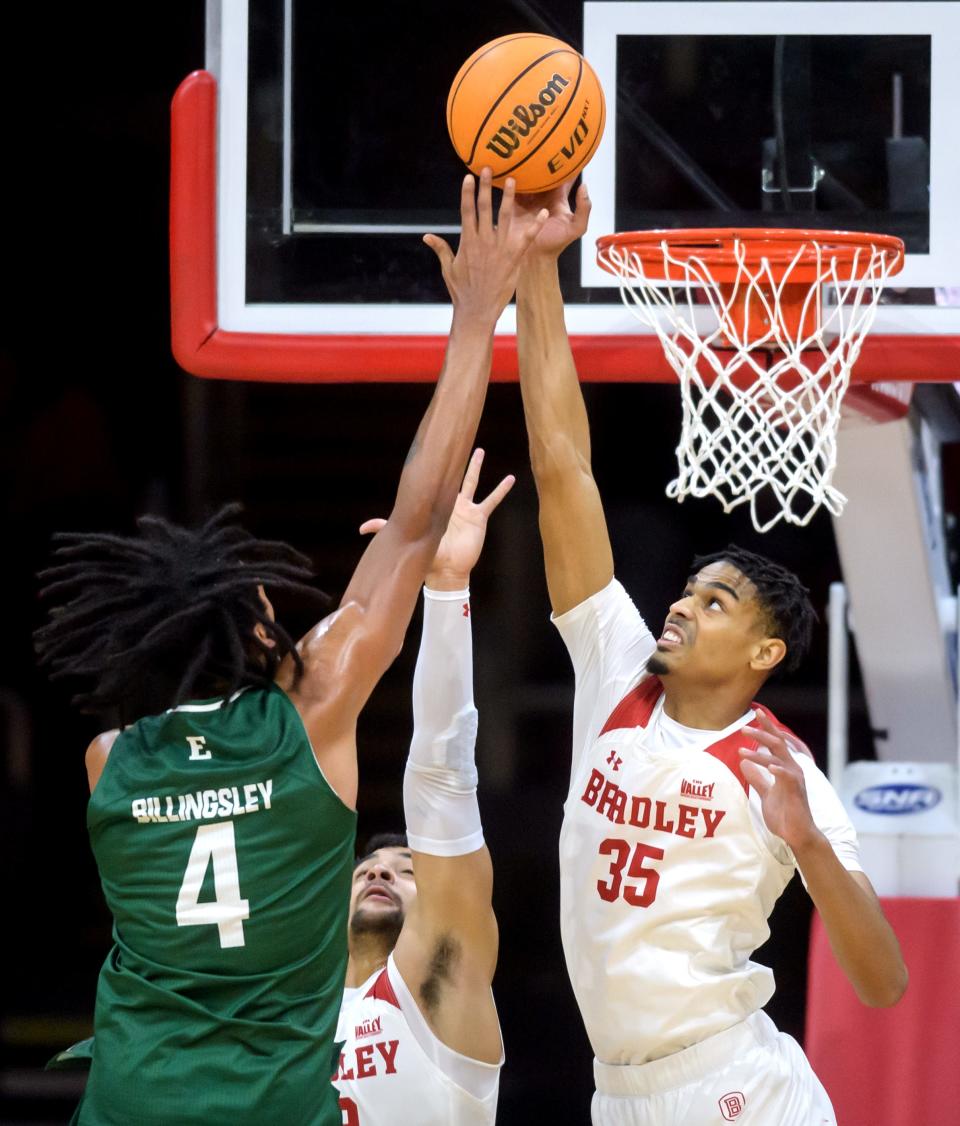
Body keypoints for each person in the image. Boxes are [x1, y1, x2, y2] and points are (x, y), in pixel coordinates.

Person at [34, 171, 546, 1126]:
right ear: (268, 642)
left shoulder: (108, 762)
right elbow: (418, 517)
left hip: (130, 1101)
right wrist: (478, 314)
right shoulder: (312, 716)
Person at [511, 180, 908, 1126]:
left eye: (714, 601)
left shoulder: (781, 771)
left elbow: (885, 981)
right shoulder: (616, 664)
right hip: (617, 1089)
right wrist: (537, 267)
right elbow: (562, 461)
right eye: (688, 590)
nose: (681, 606)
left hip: (737, 1088)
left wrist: (808, 845)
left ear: (765, 650)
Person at [333, 448, 508, 1124]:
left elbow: (441, 777)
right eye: (368, 868)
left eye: (406, 870)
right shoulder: (289, 1020)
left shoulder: (438, 975)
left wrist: (445, 591)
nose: (379, 873)